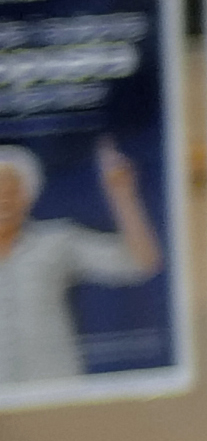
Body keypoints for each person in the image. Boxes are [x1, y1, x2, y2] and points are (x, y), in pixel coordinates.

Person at [0, 128, 166, 393]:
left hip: (56, 396)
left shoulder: (56, 242)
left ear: (28, 195)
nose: (4, 198)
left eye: (11, 189)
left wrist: (122, 195)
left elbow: (142, 262)